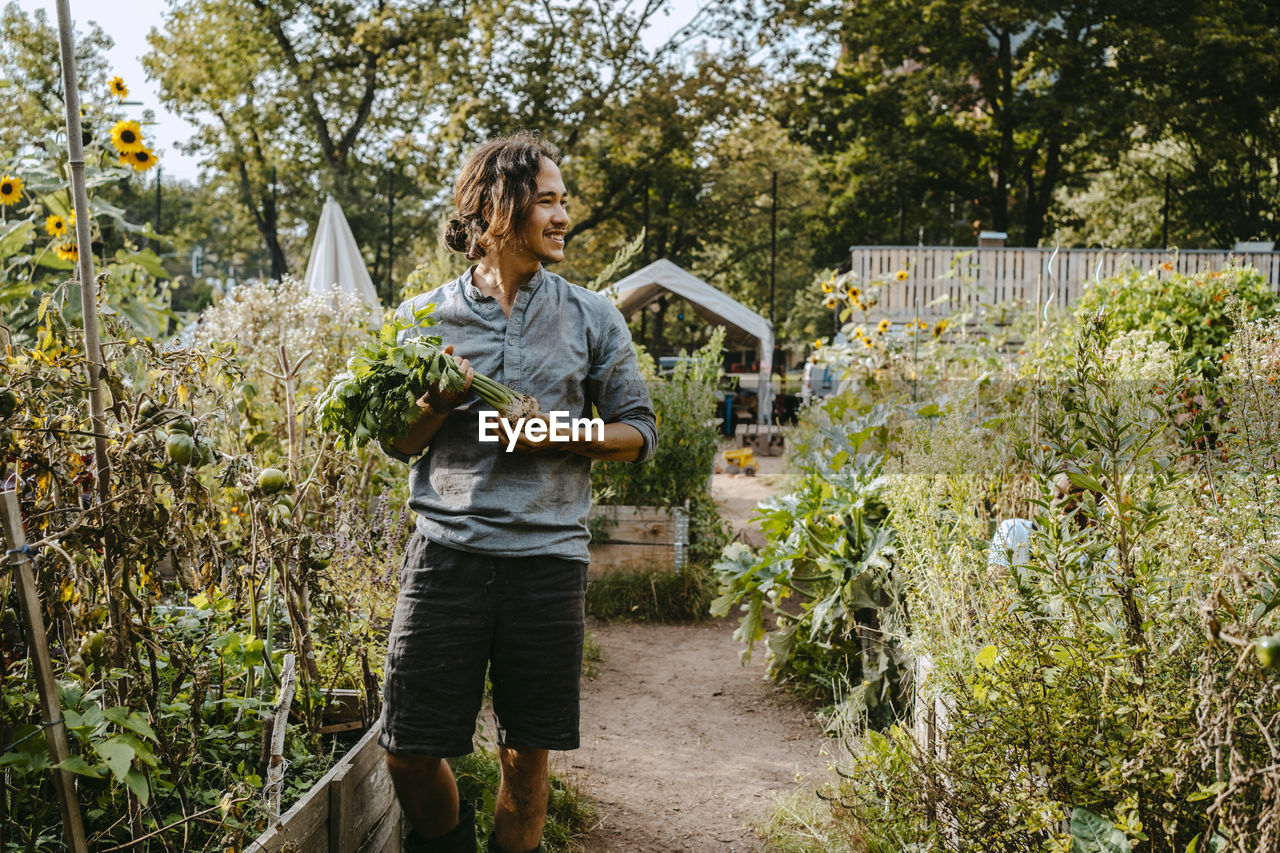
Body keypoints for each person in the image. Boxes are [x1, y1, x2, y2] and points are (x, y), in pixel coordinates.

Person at [378, 133, 657, 853]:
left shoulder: (593, 316)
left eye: (565, 201)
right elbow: (397, 442)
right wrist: (435, 402)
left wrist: (559, 434)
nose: (563, 216)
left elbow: (638, 430)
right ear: (498, 206)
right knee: (406, 748)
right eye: (548, 200)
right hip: (446, 555)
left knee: (525, 753)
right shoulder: (422, 318)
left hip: (546, 560)